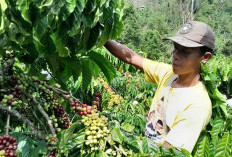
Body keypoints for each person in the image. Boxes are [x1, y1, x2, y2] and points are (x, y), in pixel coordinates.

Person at [104, 21, 214, 153]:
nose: (175, 56)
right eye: (175, 48)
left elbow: (168, 152)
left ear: (205, 57)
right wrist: (100, 35)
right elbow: (131, 58)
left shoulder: (198, 106)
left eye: (185, 52)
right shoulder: (169, 74)